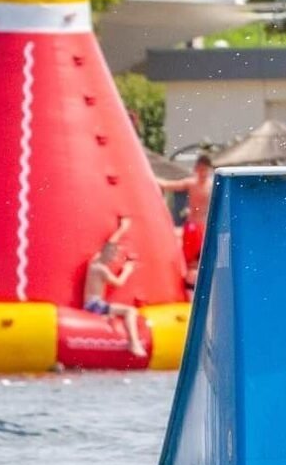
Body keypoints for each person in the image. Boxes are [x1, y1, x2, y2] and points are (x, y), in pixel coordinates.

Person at [82, 218, 148, 361]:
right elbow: (118, 282)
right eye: (112, 255)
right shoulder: (101, 269)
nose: (113, 258)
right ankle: (134, 342)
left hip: (92, 303)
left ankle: (131, 341)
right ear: (105, 254)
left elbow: (110, 244)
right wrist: (127, 270)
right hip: (94, 304)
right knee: (130, 311)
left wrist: (122, 229)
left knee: (117, 311)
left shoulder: (94, 263)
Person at [157, 150, 214, 289]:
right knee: (189, 259)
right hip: (193, 226)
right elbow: (169, 185)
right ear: (196, 169)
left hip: (205, 226)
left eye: (204, 169)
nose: (202, 172)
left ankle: (201, 284)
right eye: (200, 169)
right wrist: (150, 178)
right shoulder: (191, 183)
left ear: (209, 169)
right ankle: (189, 285)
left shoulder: (213, 185)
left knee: (203, 258)